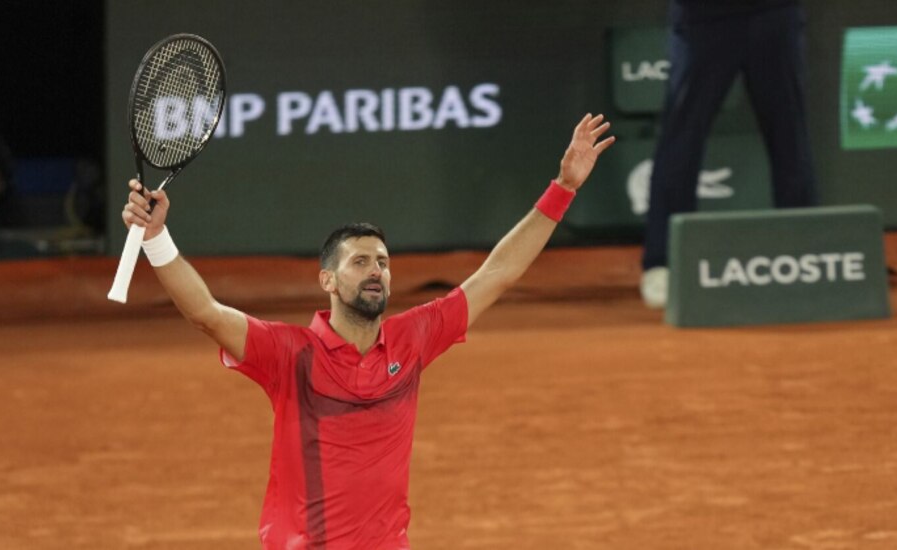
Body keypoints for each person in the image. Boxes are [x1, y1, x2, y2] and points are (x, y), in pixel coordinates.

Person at [120, 114, 614, 549]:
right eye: (359, 262)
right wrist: (157, 238)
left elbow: (496, 274)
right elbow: (206, 312)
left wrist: (563, 189)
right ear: (328, 281)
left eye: (382, 261)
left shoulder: (413, 337)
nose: (376, 270)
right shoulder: (289, 354)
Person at [639, 0, 817, 308]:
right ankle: (663, 262)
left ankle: (806, 257)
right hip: (703, 19)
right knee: (681, 139)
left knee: (791, 139)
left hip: (775, 13)